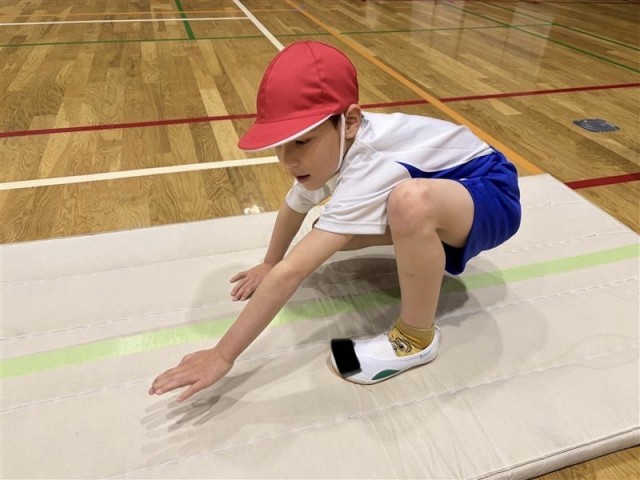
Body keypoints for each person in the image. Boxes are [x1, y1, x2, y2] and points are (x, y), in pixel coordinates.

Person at [148, 41, 521, 401]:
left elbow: (293, 272)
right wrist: (269, 263)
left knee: (408, 203)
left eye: (301, 142)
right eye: (280, 144)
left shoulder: (369, 162)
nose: (287, 160)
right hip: (452, 191)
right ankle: (423, 238)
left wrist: (222, 355)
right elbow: (293, 207)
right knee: (331, 230)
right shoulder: (337, 143)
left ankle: (415, 338)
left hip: (492, 194)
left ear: (351, 122)